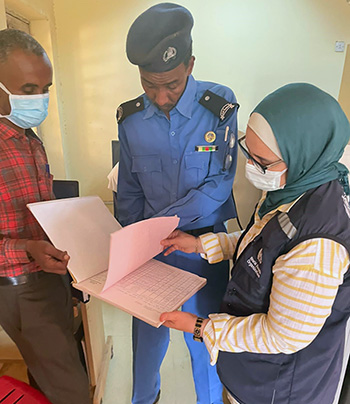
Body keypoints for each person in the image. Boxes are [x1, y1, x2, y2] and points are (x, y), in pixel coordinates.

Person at [160, 83, 350, 404]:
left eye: (263, 162)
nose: (251, 168)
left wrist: (202, 328)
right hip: (251, 373)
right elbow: (265, 241)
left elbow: (283, 336)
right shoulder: (294, 187)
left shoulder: (318, 244)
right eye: (250, 152)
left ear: (302, 154)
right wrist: (204, 245)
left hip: (279, 388)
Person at [116, 3, 239, 403]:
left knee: (203, 339)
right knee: (146, 343)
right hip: (151, 250)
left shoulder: (218, 106)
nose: (161, 96)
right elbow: (131, 188)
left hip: (204, 249)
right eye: (150, 85)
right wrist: (131, 241)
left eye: (170, 83)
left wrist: (169, 222)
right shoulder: (130, 119)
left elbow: (221, 182)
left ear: (189, 64)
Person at [0, 29, 90, 404]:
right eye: (28, 90)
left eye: (46, 88)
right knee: (73, 392)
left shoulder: (29, 137)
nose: (40, 99)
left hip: (49, 277)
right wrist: (28, 250)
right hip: (19, 288)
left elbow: (42, 210)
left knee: (52, 375)